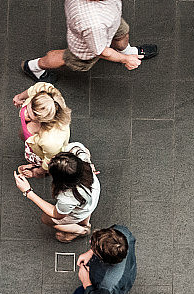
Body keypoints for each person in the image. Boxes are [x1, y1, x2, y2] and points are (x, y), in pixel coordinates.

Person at [21, 0, 158, 83]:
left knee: (122, 33)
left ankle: (127, 50)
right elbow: (102, 51)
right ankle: (34, 67)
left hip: (111, 20)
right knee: (69, 58)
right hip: (87, 46)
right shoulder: (93, 23)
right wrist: (125, 59)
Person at [14, 142, 100, 242]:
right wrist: (36, 169)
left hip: (81, 208)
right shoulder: (76, 150)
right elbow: (86, 152)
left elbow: (56, 214)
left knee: (46, 219)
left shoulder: (68, 198)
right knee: (84, 211)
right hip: (92, 196)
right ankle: (85, 222)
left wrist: (28, 192)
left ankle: (82, 230)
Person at [73, 225, 140, 294]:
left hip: (113, 289)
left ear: (103, 259)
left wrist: (86, 281)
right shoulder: (121, 232)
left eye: (92, 245)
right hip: (129, 272)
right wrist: (90, 252)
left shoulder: (107, 284)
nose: (89, 242)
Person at [12, 82, 71, 179]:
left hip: (45, 153)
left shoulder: (51, 141)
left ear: (42, 120)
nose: (25, 112)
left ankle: (35, 166)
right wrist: (20, 97)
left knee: (46, 163)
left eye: (30, 116)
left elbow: (50, 160)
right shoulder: (44, 91)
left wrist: (38, 172)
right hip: (35, 142)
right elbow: (33, 89)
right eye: (29, 106)